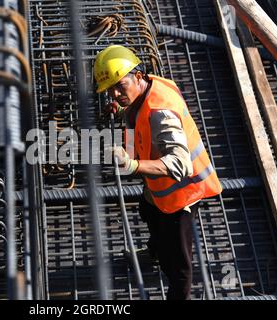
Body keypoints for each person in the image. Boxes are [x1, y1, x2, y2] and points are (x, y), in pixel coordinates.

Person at [94, 45, 222, 300]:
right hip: (158, 188)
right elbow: (138, 115)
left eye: (120, 86)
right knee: (149, 214)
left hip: (181, 197)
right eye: (111, 90)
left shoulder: (161, 113)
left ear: (138, 76)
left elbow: (180, 164)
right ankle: (154, 253)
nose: (116, 94)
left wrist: (132, 166)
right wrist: (120, 110)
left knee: (179, 265)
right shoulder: (148, 87)